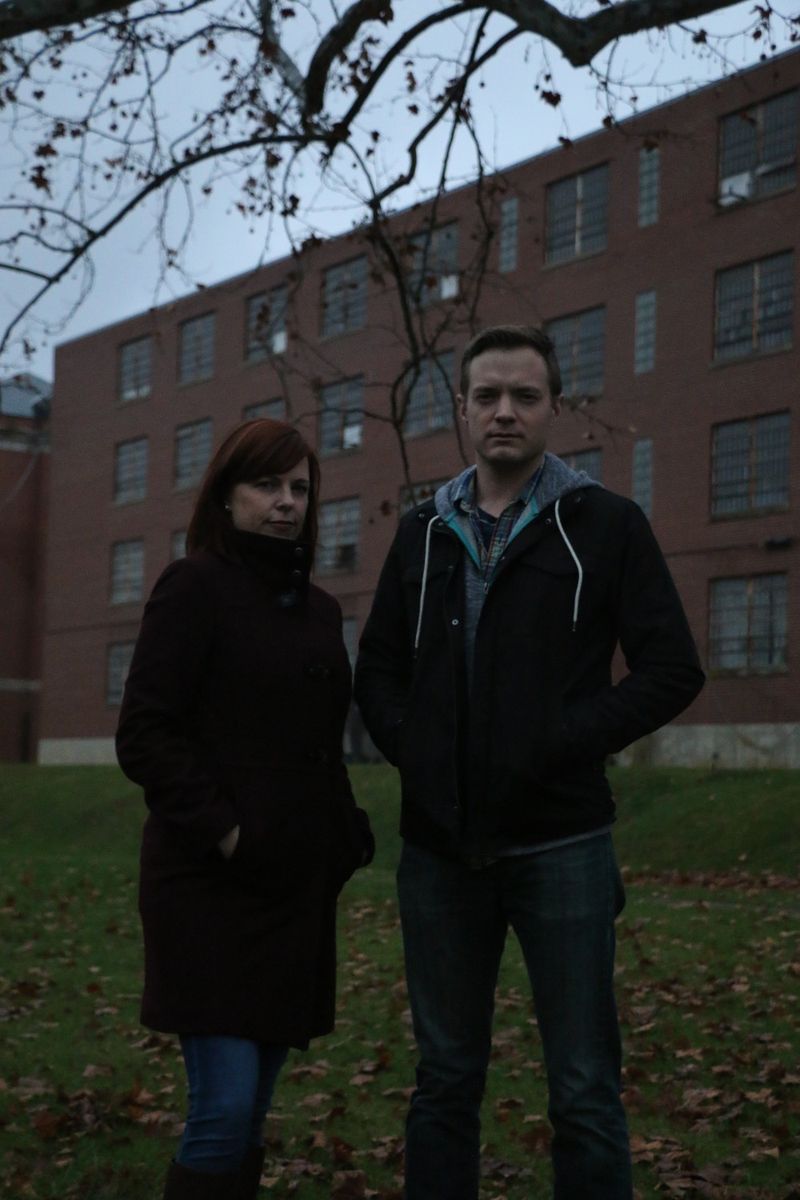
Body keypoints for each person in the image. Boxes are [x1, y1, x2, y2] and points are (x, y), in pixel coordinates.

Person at [354, 325, 704, 1200]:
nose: (504, 411)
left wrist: (566, 742)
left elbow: (672, 669)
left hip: (563, 845)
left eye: (524, 395)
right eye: (486, 396)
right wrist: (422, 756)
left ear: (556, 407)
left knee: (583, 1088)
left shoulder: (608, 525)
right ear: (462, 411)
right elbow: (379, 672)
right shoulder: (423, 533)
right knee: (444, 1083)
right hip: (439, 851)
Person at [116, 418, 374, 1200]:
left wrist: (344, 833)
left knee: (252, 1116)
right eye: (267, 485)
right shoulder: (193, 586)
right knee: (222, 1113)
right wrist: (227, 833)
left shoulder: (323, 611)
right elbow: (147, 733)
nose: (286, 502)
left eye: (301, 488)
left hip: (292, 891)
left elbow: (317, 743)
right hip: (208, 886)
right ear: (226, 496)